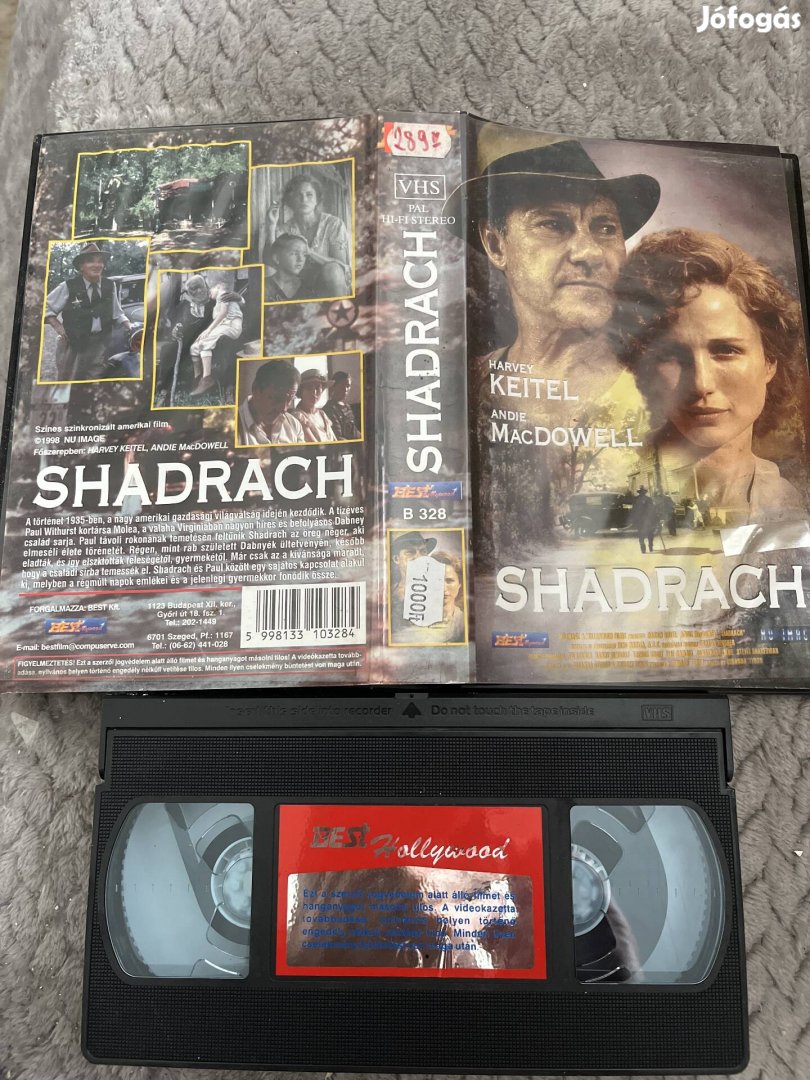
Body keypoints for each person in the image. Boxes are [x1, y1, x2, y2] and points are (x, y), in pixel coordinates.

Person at [612, 228, 806, 519]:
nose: (701, 383)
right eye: (672, 356)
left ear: (770, 361)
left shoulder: (788, 500)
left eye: (726, 350)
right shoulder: (619, 488)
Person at [444, 138, 660, 396]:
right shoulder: (468, 381)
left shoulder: (661, 385)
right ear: (496, 245)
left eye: (605, 228)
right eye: (553, 225)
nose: (590, 252)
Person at [44, 242, 133, 380]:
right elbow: (44, 307)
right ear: (81, 266)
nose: (97, 265)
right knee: (69, 382)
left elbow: (117, 313)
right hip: (74, 345)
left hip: (100, 346)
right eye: (91, 261)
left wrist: (130, 326)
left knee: (96, 383)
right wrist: (58, 327)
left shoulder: (110, 285)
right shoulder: (69, 286)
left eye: (100, 261)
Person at [263, 173, 351, 299]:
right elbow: (271, 262)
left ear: (317, 199)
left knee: (333, 269)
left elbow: (341, 266)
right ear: (291, 200)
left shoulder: (333, 224)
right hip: (296, 287)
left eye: (309, 195)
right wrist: (271, 226)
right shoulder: (285, 229)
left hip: (327, 285)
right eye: (298, 195)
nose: (304, 200)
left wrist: (309, 252)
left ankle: (339, 309)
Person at [188, 282, 244, 397]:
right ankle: (198, 378)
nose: (209, 292)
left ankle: (206, 379)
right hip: (223, 326)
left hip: (231, 325)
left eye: (211, 289)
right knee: (194, 347)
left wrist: (208, 330)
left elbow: (223, 314)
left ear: (218, 287)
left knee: (203, 343)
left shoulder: (223, 294)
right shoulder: (216, 302)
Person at [237, 359, 305, 446]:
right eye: (277, 398)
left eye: (290, 400)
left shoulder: (294, 425)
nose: (284, 409)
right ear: (255, 390)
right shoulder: (232, 426)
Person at [290, 368, 336, 443]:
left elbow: (334, 440)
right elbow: (315, 445)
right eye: (309, 388)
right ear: (301, 391)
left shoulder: (322, 414)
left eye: (318, 388)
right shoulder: (298, 416)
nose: (314, 392)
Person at [264, 233, 308, 301]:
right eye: (294, 253)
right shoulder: (263, 286)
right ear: (277, 258)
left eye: (304, 254)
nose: (301, 259)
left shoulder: (306, 287)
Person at [323, 370, 360, 440]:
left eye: (348, 386)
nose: (345, 389)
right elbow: (338, 436)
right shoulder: (329, 409)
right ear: (334, 386)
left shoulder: (347, 406)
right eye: (342, 386)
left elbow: (354, 430)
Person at [628, 485, 660, 553]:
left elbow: (633, 510)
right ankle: (650, 545)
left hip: (640, 519)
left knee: (641, 533)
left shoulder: (636, 499)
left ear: (639, 492)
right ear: (644, 492)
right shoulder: (648, 499)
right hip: (648, 519)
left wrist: (633, 519)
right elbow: (652, 509)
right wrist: (655, 517)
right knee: (650, 533)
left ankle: (643, 546)